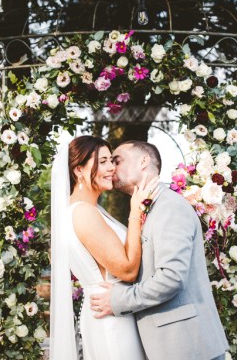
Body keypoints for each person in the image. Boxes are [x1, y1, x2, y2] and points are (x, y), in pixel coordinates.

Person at [89, 140, 229, 360]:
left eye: (117, 160)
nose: (112, 168)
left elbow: (171, 278)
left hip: (187, 346)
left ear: (143, 161)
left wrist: (119, 299)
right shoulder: (147, 206)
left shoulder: (169, 207)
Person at [49, 135, 159, 360]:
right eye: (103, 162)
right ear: (79, 170)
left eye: (113, 161)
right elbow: (127, 270)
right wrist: (135, 213)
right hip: (112, 321)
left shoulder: (88, 209)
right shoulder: (83, 213)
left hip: (112, 312)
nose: (111, 168)